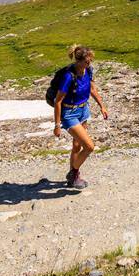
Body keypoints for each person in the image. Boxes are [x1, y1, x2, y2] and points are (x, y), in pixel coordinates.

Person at [50, 44, 109, 189]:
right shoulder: (68, 77)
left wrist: (102, 106)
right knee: (89, 147)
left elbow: (92, 89)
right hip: (69, 114)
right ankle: (73, 173)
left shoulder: (88, 70)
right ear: (78, 61)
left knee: (77, 145)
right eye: (87, 61)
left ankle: (72, 179)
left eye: (90, 61)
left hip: (84, 110)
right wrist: (57, 125)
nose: (89, 64)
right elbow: (58, 101)